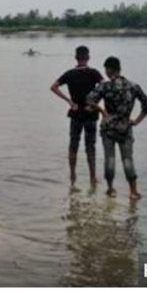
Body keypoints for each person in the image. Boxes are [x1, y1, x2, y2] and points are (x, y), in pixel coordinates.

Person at [87, 56, 147, 201]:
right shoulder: (133, 86)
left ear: (109, 69)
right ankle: (133, 192)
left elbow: (89, 99)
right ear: (119, 68)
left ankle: (111, 189)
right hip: (125, 127)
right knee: (128, 160)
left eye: (106, 69)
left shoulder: (105, 86)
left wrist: (102, 111)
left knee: (109, 159)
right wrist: (136, 121)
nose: (105, 72)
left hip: (108, 127)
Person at [50, 45, 104, 188]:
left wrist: (69, 100)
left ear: (76, 58)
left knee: (73, 145)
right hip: (91, 114)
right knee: (90, 146)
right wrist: (95, 103)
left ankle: (73, 175)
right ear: (88, 58)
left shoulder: (69, 74)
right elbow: (105, 87)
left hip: (75, 113)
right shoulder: (94, 73)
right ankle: (92, 177)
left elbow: (53, 87)